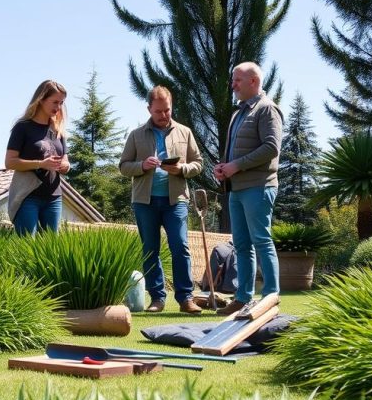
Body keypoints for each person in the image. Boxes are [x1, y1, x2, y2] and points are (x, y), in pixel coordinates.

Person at [119, 86, 204, 314]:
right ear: (149, 109)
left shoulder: (185, 132)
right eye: (158, 111)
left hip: (176, 200)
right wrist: (141, 166)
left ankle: (186, 298)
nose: (164, 115)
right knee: (150, 250)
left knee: (180, 246)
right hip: (145, 202)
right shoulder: (136, 135)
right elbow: (123, 166)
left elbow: (198, 163)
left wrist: (182, 169)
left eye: (167, 110)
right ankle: (157, 298)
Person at [213, 62, 283, 314]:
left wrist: (236, 166)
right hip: (237, 189)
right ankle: (242, 298)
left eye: (237, 80)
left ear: (253, 81)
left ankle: (271, 297)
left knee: (261, 240)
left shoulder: (267, 110)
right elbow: (236, 149)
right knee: (241, 245)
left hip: (259, 187)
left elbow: (271, 148)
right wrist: (224, 167)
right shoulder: (238, 113)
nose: (233, 85)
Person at [5, 80, 70, 235]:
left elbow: (66, 159)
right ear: (40, 100)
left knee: (50, 251)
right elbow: (9, 162)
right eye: (55, 102)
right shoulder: (22, 127)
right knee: (27, 248)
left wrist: (66, 165)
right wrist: (41, 163)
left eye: (61, 103)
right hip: (28, 196)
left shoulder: (58, 130)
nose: (58, 107)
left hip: (54, 197)